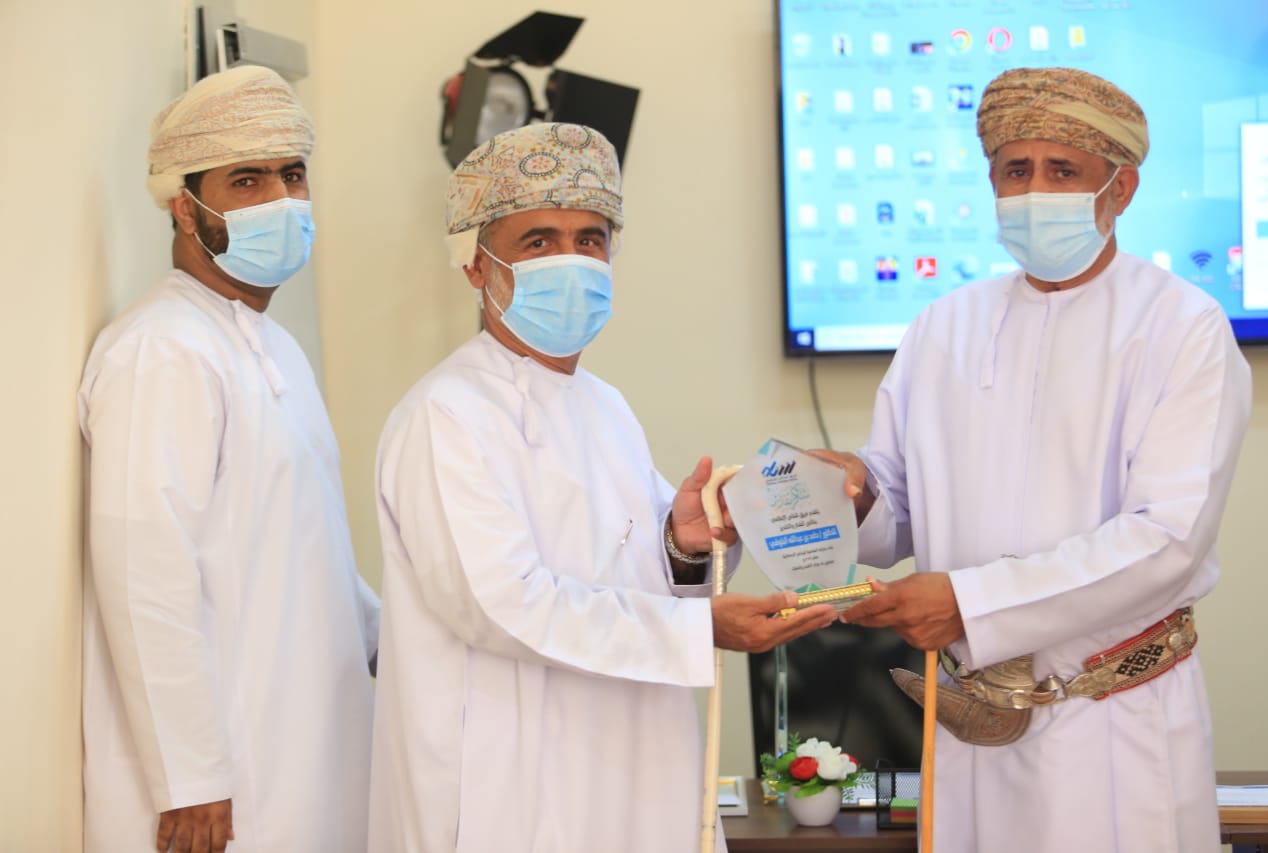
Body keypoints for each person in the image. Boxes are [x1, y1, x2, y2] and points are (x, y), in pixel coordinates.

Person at [368, 122, 836, 853]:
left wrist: (682, 543)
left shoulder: (603, 404)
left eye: (589, 239)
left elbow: (631, 572)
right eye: (539, 241)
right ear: (476, 266)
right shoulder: (445, 414)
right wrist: (700, 630)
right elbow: (502, 607)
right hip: (515, 781)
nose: (571, 260)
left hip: (633, 758)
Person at [824, 67, 1252, 853]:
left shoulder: (1182, 326)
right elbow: (896, 510)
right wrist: (852, 495)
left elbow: (1166, 538)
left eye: (1063, 171)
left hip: (1115, 723)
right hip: (972, 726)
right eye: (1016, 170)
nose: (1034, 191)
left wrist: (969, 604)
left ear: (1120, 188)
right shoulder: (943, 324)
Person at [79, 65, 379, 853]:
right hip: (220, 785)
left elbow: (304, 543)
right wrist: (189, 778)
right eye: (247, 179)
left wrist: (390, 635)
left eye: (292, 174)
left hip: (305, 750)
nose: (281, 199)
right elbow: (144, 573)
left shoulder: (274, 347)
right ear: (184, 207)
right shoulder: (161, 349)